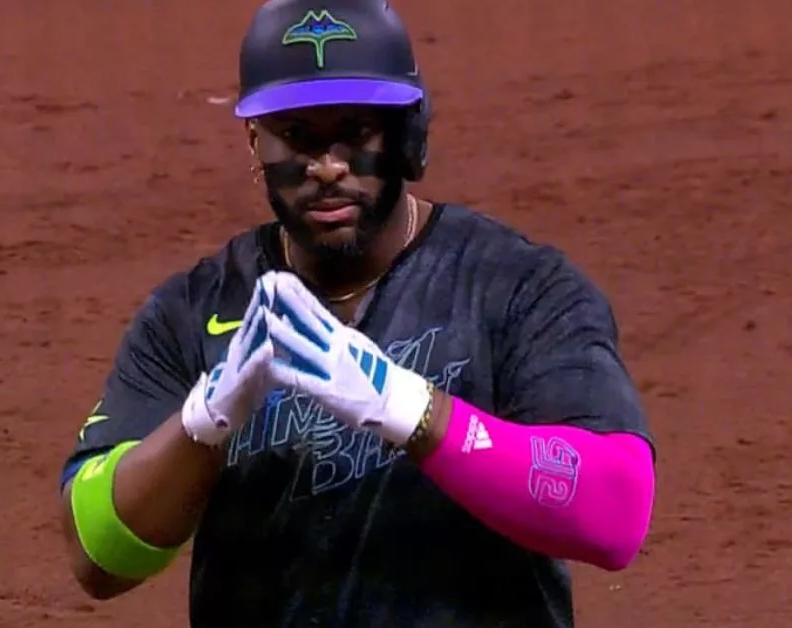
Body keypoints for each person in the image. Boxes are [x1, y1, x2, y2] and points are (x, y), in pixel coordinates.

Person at [57, 0, 657, 625]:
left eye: (356, 132)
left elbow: (616, 511)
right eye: (298, 136)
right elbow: (94, 557)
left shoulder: (515, 287)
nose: (328, 166)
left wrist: (410, 410)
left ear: (407, 132)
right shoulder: (192, 312)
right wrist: (202, 424)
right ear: (253, 141)